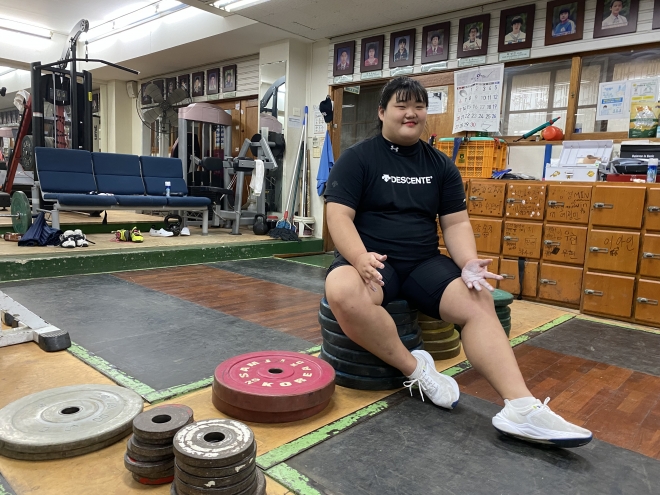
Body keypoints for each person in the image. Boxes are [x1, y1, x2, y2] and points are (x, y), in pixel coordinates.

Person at [323, 76, 593, 448]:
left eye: (419, 106)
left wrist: (467, 263)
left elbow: (456, 222)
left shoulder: (440, 165)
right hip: (373, 260)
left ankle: (521, 407)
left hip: (422, 263)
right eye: (401, 105)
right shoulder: (358, 158)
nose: (411, 113)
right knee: (340, 290)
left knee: (478, 296)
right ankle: (416, 368)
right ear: (383, 112)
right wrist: (358, 257)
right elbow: (338, 216)